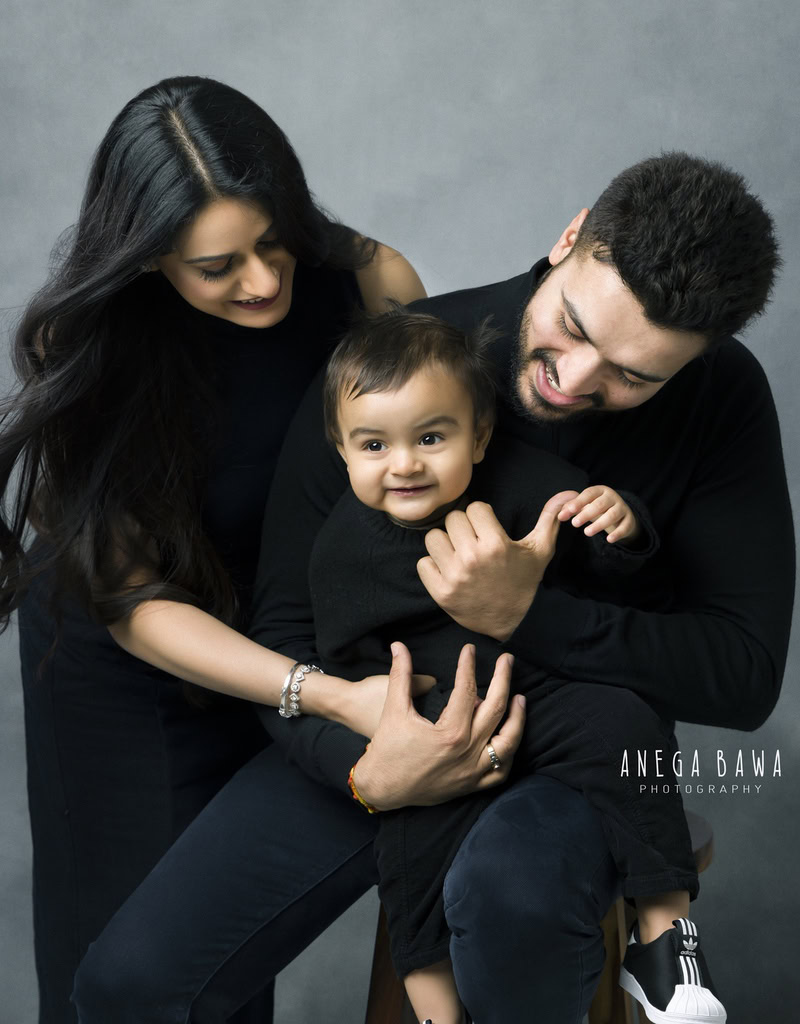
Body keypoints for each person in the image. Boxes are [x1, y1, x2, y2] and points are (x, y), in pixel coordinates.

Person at [70, 151, 793, 1024]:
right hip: (381, 723)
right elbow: (289, 623)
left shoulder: (723, 402)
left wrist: (526, 613)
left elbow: (744, 677)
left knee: (510, 901)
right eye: (572, 327)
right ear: (569, 241)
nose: (575, 379)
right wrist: (376, 766)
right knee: (132, 982)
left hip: (572, 746)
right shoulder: (400, 361)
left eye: (633, 377)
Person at [0, 74, 428, 1024]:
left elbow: (427, 457)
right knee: (114, 983)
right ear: (149, 261)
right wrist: (314, 691)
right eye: (218, 266)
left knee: (216, 965)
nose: (264, 280)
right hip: (125, 679)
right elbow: (133, 606)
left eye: (272, 239)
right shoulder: (87, 342)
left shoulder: (370, 281)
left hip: (291, 632)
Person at [318, 306, 725, 1024]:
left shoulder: (524, 481)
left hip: (542, 695)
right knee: (408, 866)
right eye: (374, 445)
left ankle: (664, 940)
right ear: (341, 449)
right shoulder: (340, 550)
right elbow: (343, 664)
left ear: (479, 437)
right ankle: (438, 1015)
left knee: (628, 728)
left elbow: (606, 565)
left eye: (431, 438)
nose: (404, 464)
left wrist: (619, 522)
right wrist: (384, 713)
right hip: (441, 727)